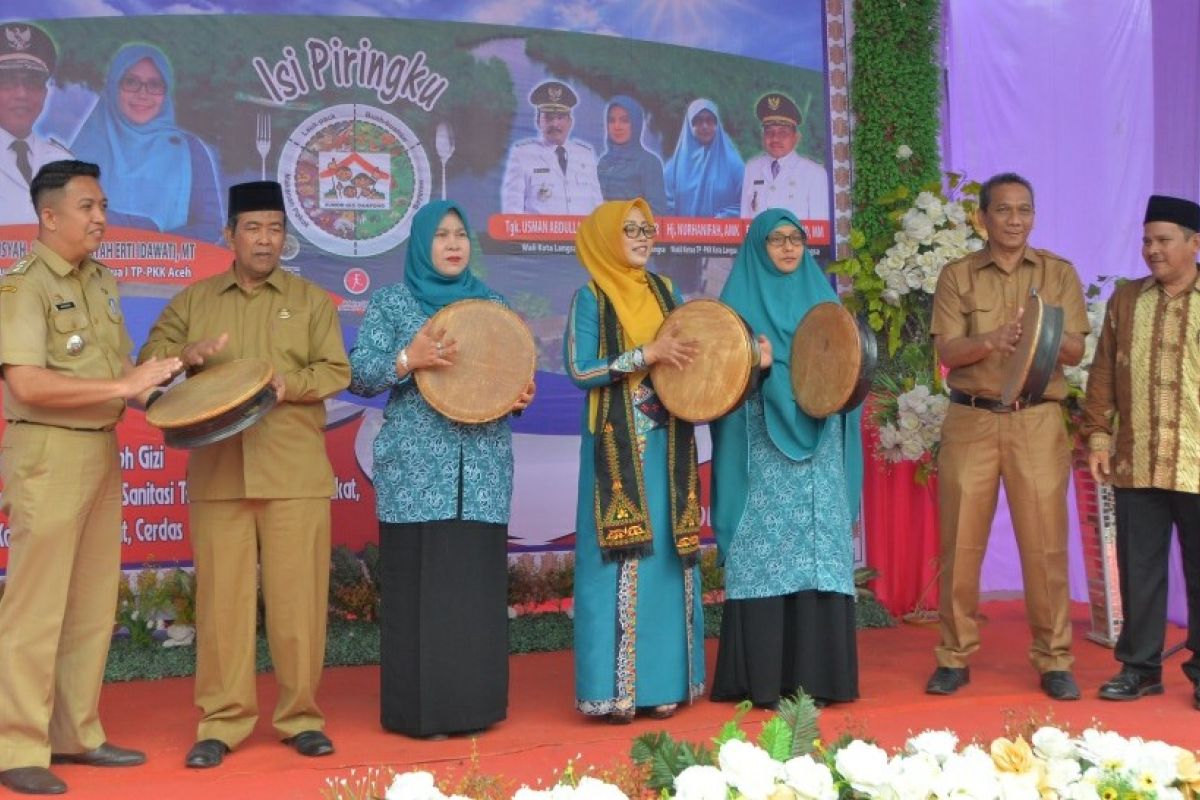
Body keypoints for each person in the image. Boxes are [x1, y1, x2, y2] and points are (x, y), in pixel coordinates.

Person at [138, 181, 350, 768]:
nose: (265, 239)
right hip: (219, 474)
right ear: (228, 235)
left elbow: (336, 369)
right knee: (222, 606)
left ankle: (301, 717)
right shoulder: (195, 300)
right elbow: (149, 363)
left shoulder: (309, 300)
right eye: (253, 227)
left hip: (294, 473)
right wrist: (187, 358)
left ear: (286, 236)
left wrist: (291, 384)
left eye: (275, 228)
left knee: (298, 605)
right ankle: (222, 722)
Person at [0, 160, 181, 795]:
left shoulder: (102, 280)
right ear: (48, 217)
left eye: (103, 205)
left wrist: (170, 374)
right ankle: (16, 744)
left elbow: (121, 377)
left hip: (101, 450)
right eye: (86, 207)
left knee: (90, 603)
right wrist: (122, 384)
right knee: (36, 605)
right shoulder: (21, 287)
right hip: (47, 453)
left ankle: (75, 732)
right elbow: (24, 382)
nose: (101, 217)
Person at [349, 199, 534, 738]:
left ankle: (475, 707)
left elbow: (507, 377)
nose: (453, 244)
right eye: (441, 235)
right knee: (418, 591)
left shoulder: (493, 304)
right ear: (421, 243)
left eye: (461, 234)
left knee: (473, 589)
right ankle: (419, 714)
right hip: (416, 472)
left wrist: (519, 395)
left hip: (481, 471)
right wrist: (410, 359)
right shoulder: (392, 304)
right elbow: (360, 376)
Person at [926, 172, 1089, 700]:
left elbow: (1074, 351)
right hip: (971, 417)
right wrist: (992, 340)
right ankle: (954, 656)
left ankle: (1054, 659)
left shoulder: (1058, 273)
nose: (1015, 220)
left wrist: (1041, 331)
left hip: (1037, 420)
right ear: (982, 218)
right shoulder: (957, 276)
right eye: (1003, 210)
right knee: (960, 542)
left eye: (1024, 210)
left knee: (1045, 546)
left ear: (1033, 217)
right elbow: (948, 353)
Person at [710, 208, 864, 709]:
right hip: (759, 446)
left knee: (816, 550)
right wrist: (759, 371)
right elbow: (719, 380)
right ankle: (764, 679)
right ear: (757, 247)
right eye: (775, 239)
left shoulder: (824, 303)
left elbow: (846, 365)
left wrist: (826, 383)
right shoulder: (735, 307)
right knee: (764, 548)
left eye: (796, 239)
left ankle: (821, 677)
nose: (788, 247)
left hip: (819, 449)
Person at [565, 197, 706, 722]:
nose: (644, 237)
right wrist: (644, 356)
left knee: (670, 559)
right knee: (620, 565)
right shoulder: (590, 298)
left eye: (648, 228)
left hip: (671, 445)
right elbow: (580, 369)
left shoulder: (668, 293)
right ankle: (615, 692)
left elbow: (695, 353)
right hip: (618, 450)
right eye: (630, 230)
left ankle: (665, 685)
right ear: (606, 237)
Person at [1083, 194, 1200, 706]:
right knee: (1139, 567)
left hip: (1197, 460)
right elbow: (1103, 370)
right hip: (1139, 458)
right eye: (1147, 240)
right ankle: (1140, 667)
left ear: (1194, 244)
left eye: (1164, 241)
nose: (1152, 250)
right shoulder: (1128, 299)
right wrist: (1099, 435)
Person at [72, 42, 224, 241]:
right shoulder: (83, 148)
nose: (142, 94)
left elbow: (209, 227)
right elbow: (67, 218)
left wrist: (151, 247)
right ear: (113, 86)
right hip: (91, 267)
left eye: (154, 85)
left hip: (169, 268)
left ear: (166, 92)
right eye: (130, 81)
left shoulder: (188, 150)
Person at [0, 22, 71, 225]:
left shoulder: (62, 162)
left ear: (44, 93)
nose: (21, 94)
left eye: (32, 82)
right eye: (8, 82)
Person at [501, 80, 603, 215]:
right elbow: (512, 210)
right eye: (548, 117)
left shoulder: (585, 154)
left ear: (570, 122)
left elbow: (597, 206)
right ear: (538, 121)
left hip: (581, 235)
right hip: (539, 236)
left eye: (560, 117)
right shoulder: (523, 155)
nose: (555, 124)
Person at [740, 93, 829, 222]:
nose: (775, 138)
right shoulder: (751, 168)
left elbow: (820, 231)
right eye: (769, 131)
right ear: (762, 136)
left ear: (796, 137)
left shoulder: (815, 174)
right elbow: (745, 220)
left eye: (783, 132)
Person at [663, 99, 743, 218]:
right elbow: (664, 205)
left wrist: (722, 220)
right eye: (698, 121)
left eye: (710, 120)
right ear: (689, 125)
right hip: (682, 235)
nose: (705, 126)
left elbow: (747, 204)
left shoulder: (734, 165)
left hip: (725, 235)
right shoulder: (673, 168)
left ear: (717, 124)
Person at [596, 95, 667, 215]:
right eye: (612, 120)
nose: (617, 126)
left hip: (632, 231)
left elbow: (657, 213)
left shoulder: (649, 162)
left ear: (636, 124)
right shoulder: (604, 161)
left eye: (624, 121)